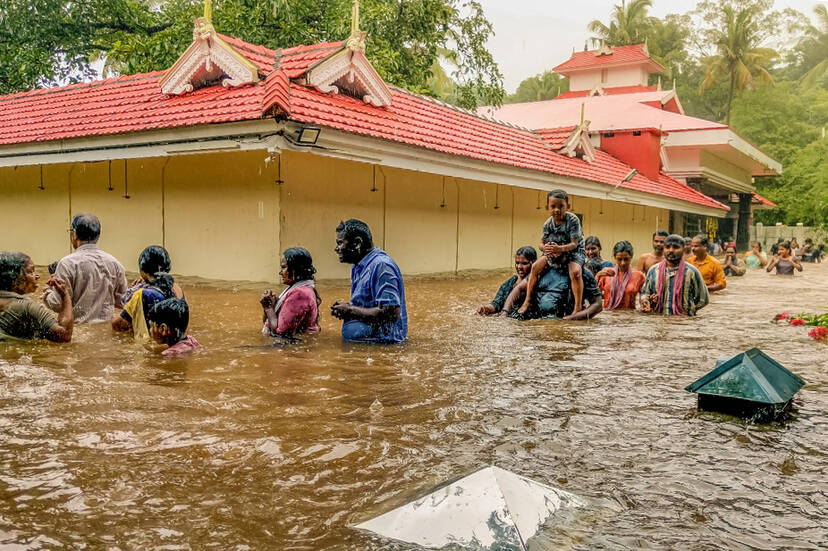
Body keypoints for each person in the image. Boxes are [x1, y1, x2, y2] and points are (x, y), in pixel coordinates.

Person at [331, 219, 407, 343]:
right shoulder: (358, 266)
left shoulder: (382, 266)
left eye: (340, 243)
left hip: (382, 345)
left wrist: (350, 310)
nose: (336, 249)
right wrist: (346, 309)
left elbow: (391, 314)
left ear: (357, 243)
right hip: (365, 345)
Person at [44, 213, 127, 323]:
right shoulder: (115, 263)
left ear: (75, 235)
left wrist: (47, 293)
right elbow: (123, 302)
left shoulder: (67, 264)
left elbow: (57, 304)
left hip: (78, 330)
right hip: (106, 330)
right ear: (98, 235)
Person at [518, 190, 585, 317]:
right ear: (547, 207)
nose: (557, 210)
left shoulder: (573, 220)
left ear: (568, 207)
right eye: (553, 206)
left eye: (561, 206)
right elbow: (541, 243)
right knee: (535, 267)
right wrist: (546, 249)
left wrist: (559, 249)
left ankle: (577, 307)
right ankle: (527, 300)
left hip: (574, 252)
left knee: (575, 272)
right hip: (554, 251)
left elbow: (574, 244)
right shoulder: (548, 224)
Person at [0, 251, 73, 342]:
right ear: (15, 280)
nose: (37, 276)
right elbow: (64, 335)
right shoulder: (26, 306)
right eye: (31, 272)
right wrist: (65, 294)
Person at [112, 245, 181, 341]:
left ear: (142, 270)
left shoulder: (142, 294)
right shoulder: (176, 289)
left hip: (147, 348)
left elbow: (118, 325)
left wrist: (132, 297)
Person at [640, 234, 709, 316]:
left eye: (676, 247)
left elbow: (703, 299)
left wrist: (689, 311)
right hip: (659, 322)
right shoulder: (653, 271)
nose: (671, 250)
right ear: (664, 249)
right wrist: (647, 301)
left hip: (683, 323)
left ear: (683, 249)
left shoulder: (692, 272)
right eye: (667, 247)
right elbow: (645, 293)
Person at [532, 241, 602, 320]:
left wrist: (571, 319)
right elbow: (522, 288)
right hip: (541, 324)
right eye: (549, 249)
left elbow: (598, 305)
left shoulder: (582, 273)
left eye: (556, 250)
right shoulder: (540, 269)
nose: (552, 254)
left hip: (567, 323)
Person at [260, 247, 321, 337]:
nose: (280, 272)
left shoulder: (300, 294)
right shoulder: (299, 289)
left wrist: (269, 308)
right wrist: (273, 304)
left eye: (284, 267)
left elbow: (281, 333)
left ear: (295, 269)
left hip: (292, 349)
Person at [477, 246, 536, 316]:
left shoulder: (538, 283)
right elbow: (496, 304)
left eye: (524, 263)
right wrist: (485, 308)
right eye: (517, 263)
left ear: (533, 264)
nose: (519, 267)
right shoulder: (510, 282)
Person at [596, 241, 646, 310]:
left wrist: (644, 303)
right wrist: (597, 276)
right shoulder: (607, 273)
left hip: (629, 317)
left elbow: (645, 296)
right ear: (614, 257)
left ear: (631, 257)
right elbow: (594, 295)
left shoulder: (639, 276)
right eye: (619, 259)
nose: (623, 263)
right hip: (608, 317)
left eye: (626, 259)